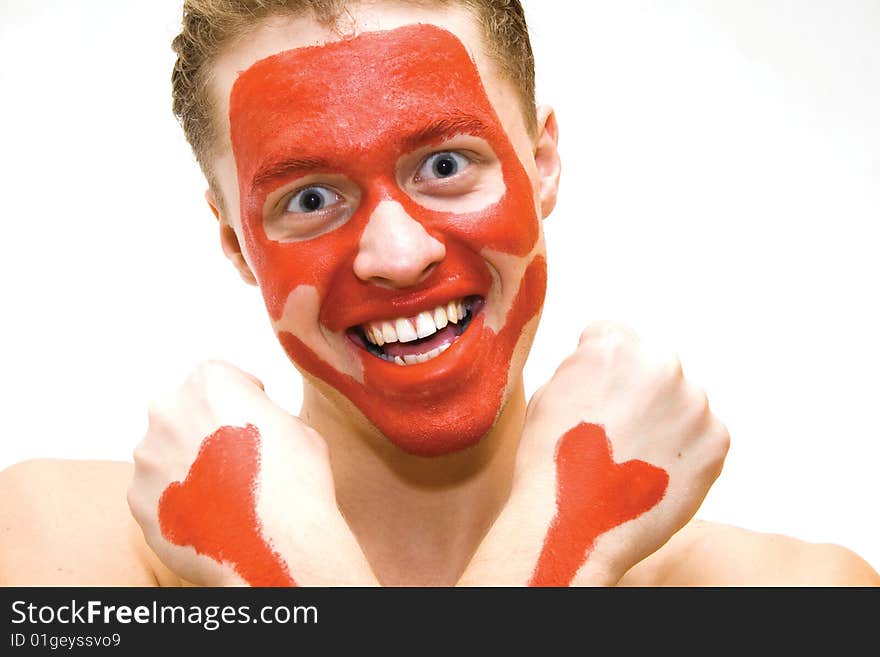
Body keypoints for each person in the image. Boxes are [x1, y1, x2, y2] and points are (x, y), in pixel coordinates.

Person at [1, 0, 877, 587]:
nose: (397, 252)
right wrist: (560, 541)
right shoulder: (52, 559)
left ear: (542, 165)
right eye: (310, 198)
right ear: (235, 242)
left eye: (446, 164)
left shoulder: (798, 598)